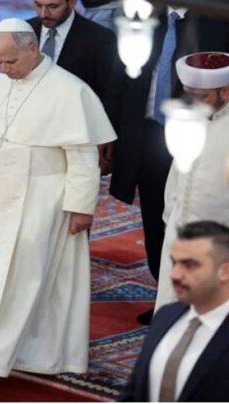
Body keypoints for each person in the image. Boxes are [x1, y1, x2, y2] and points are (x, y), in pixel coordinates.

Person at [0, 18, 116, 392]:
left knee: (29, 279)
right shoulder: (0, 83)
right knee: (0, 276)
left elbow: (83, 157)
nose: (3, 69)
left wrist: (81, 207)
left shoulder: (69, 90)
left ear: (32, 49)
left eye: (10, 61)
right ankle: (11, 353)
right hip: (0, 194)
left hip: (45, 199)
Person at [110, 5, 229, 325]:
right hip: (149, 135)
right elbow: (122, 80)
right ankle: (164, 299)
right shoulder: (145, 22)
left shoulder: (216, 21)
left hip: (215, 226)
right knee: (155, 220)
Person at [119, 221, 229, 402]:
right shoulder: (166, 316)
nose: (175, 275)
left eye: (189, 264)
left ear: (225, 270)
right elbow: (134, 392)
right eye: (174, 263)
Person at [154, 52, 229, 312]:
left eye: (202, 96)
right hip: (180, 227)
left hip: (218, 239)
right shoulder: (189, 118)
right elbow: (177, 170)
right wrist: (169, 216)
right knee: (171, 303)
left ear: (225, 91)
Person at [27, 0, 124, 175]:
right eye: (38, 5)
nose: (43, 14)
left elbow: (111, 93)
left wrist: (106, 135)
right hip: (28, 136)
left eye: (53, 7)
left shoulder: (100, 38)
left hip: (76, 139)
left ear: (71, 2)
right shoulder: (25, 31)